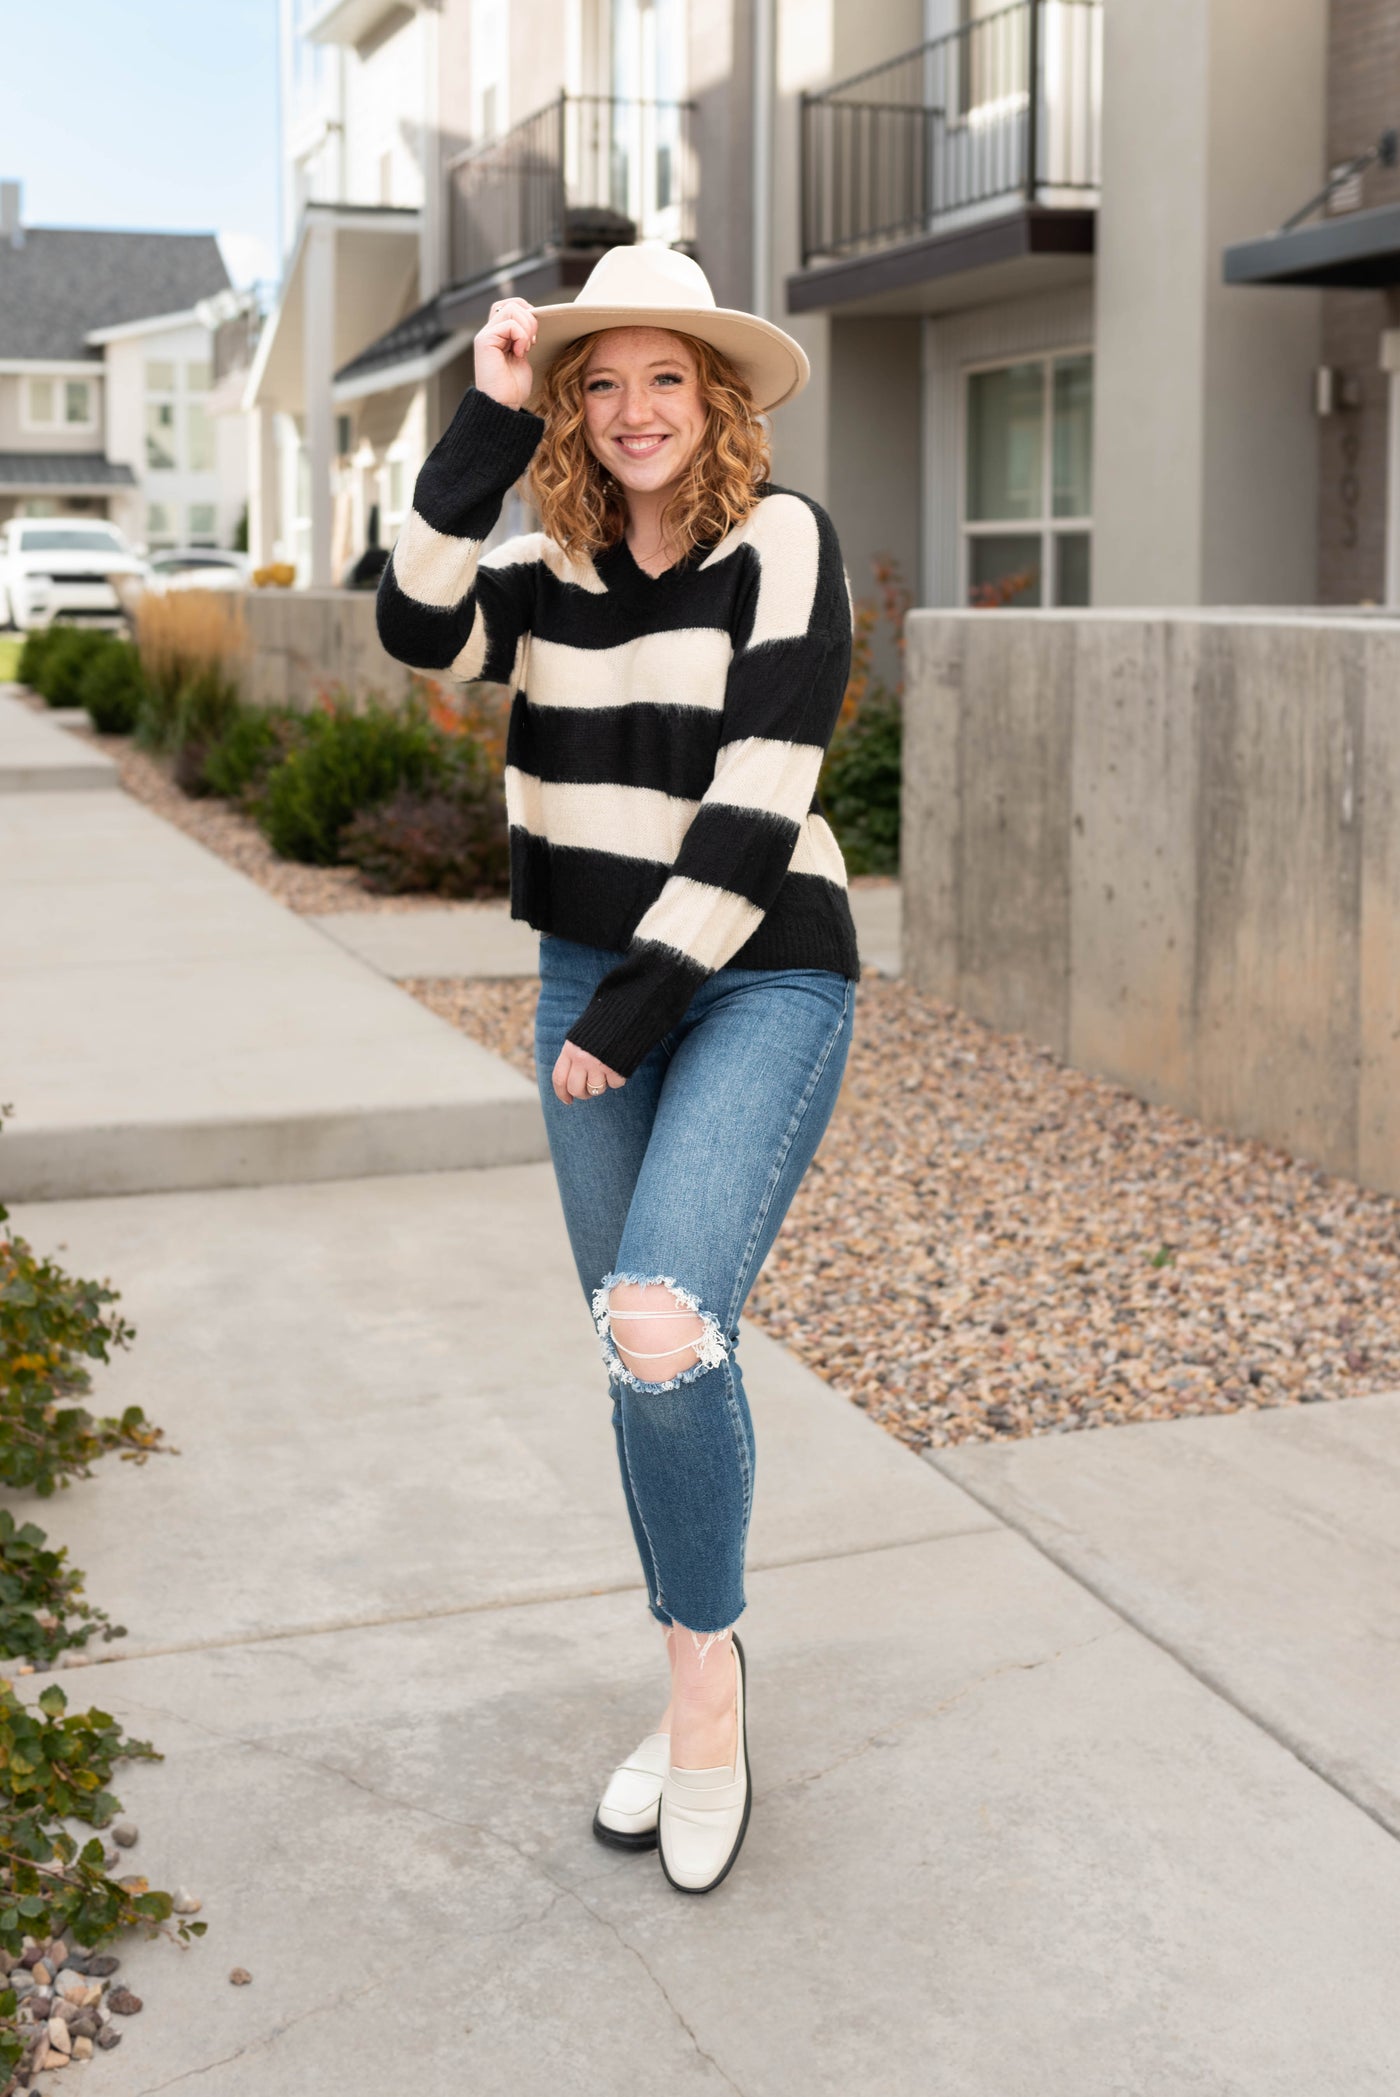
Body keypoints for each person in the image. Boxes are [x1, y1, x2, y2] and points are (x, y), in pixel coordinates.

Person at [375, 242, 860, 1895]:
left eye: (667, 376)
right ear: (573, 404)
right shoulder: (554, 563)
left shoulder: (781, 543)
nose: (636, 409)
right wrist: (486, 418)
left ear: (716, 394)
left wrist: (626, 1020)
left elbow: (761, 794)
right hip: (595, 973)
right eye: (603, 380)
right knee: (645, 1351)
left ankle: (704, 1698)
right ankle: (700, 1657)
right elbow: (415, 624)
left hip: (759, 969)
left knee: (661, 1317)